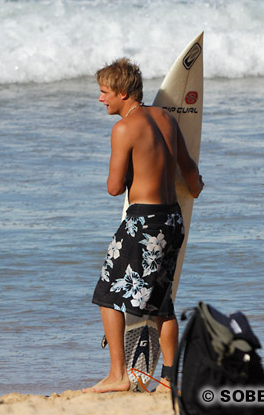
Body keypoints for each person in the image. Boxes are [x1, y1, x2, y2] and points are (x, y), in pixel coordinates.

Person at [84, 58, 204, 393]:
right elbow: (189, 169)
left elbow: (113, 187)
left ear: (123, 93)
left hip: (143, 222)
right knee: (161, 302)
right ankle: (169, 377)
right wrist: (195, 188)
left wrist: (128, 174)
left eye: (105, 92)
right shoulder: (166, 118)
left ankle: (118, 375)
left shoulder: (124, 129)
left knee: (108, 295)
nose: (101, 99)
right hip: (172, 219)